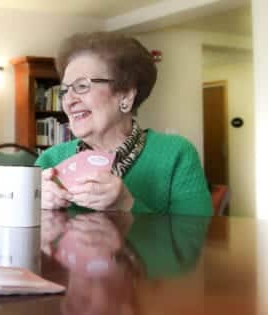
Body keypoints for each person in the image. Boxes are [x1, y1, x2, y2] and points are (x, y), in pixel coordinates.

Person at [36, 32, 212, 215]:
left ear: (126, 95)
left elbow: (196, 238)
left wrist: (126, 205)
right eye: (64, 90)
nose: (68, 100)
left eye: (82, 86)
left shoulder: (176, 153)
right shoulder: (51, 160)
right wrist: (35, 208)